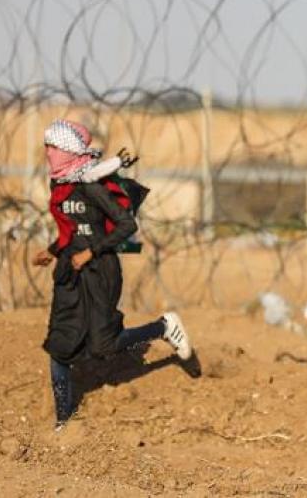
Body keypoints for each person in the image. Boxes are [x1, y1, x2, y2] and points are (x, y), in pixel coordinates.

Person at [31, 119, 193, 430]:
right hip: (70, 271)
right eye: (46, 147)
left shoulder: (91, 185)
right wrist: (53, 250)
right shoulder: (60, 184)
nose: (48, 153)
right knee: (60, 346)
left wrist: (91, 252)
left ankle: (163, 327)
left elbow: (126, 225)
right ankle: (63, 421)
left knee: (103, 345)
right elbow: (74, 229)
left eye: (52, 147)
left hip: (99, 271)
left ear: (67, 150)